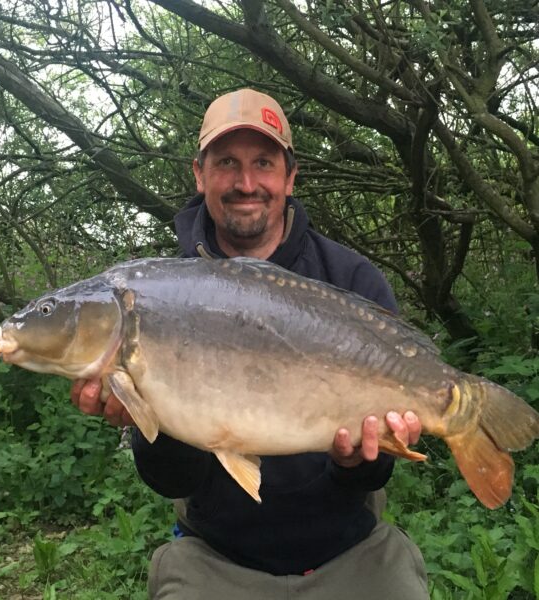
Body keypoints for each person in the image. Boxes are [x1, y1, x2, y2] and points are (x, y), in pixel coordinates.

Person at [71, 89, 429, 599]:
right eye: (226, 164)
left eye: (263, 162)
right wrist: (146, 417)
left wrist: (361, 459)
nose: (245, 183)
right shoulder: (162, 294)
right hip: (217, 558)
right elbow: (174, 483)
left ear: (289, 174)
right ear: (199, 173)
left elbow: (370, 479)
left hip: (351, 549)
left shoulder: (350, 279)